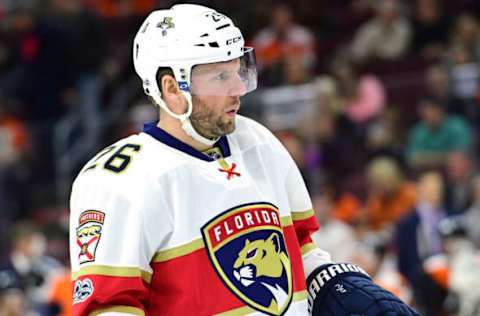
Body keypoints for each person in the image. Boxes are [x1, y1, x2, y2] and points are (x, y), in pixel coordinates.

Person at [69, 4, 419, 315]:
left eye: (238, 70)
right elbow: (110, 307)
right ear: (172, 89)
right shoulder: (119, 180)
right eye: (221, 76)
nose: (238, 87)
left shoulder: (259, 142)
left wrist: (352, 296)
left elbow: (301, 251)